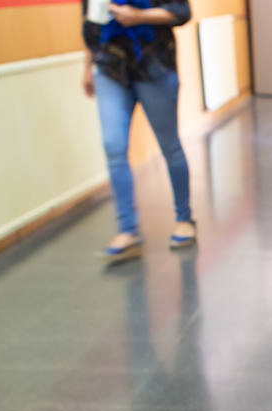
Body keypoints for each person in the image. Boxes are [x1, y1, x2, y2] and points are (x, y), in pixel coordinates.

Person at [82, 0, 196, 263]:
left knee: (170, 146)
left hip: (154, 66)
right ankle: (127, 230)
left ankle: (184, 218)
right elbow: (91, 24)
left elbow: (182, 11)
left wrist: (139, 16)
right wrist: (87, 66)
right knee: (114, 147)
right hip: (110, 68)